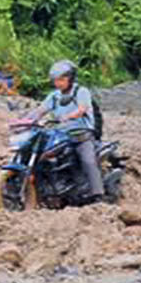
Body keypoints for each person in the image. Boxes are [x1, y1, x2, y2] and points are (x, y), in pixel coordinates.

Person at [38, 59, 104, 197]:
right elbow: (40, 110)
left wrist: (68, 116)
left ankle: (98, 194)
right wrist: (24, 120)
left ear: (71, 78)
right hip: (60, 135)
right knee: (43, 155)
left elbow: (81, 109)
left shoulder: (81, 91)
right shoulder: (54, 96)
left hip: (82, 134)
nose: (58, 83)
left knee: (88, 160)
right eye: (55, 80)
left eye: (61, 80)